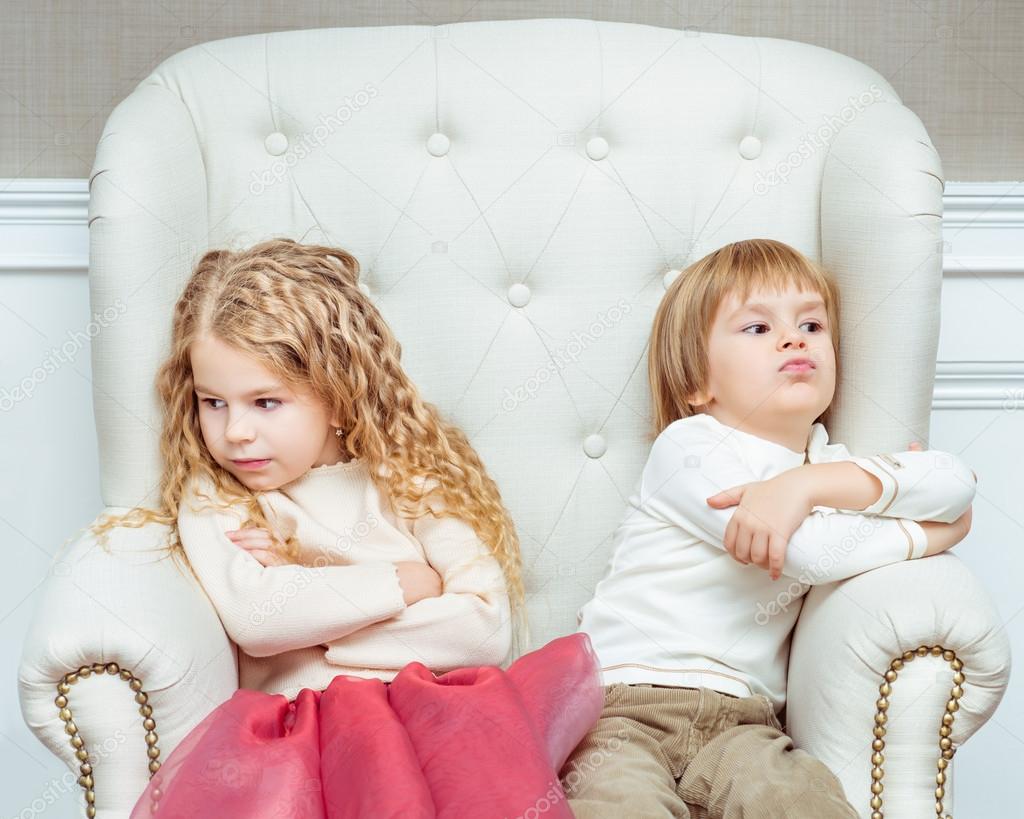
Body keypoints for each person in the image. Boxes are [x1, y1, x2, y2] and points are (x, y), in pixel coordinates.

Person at [88, 237, 603, 818]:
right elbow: (259, 619)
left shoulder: (412, 480)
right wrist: (407, 582)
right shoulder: (216, 494)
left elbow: (483, 627)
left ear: (336, 394)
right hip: (297, 728)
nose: (234, 432)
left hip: (434, 716)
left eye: (265, 402)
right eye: (213, 403)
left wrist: (311, 599)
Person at [561, 238, 976, 818]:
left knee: (802, 803)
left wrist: (803, 485)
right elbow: (806, 553)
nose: (794, 338)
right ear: (696, 384)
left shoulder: (828, 468)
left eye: (812, 323)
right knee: (614, 806)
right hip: (623, 708)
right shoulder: (690, 447)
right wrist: (931, 535)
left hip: (745, 722)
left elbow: (954, 478)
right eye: (757, 328)